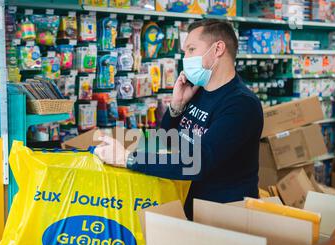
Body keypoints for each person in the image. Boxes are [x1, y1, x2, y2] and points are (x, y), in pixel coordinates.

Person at [94, 19, 263, 220]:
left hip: (227, 215)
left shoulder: (241, 105)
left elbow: (200, 160)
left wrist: (127, 159)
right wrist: (176, 106)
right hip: (192, 206)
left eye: (191, 49)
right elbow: (163, 141)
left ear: (218, 49)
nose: (186, 58)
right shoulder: (197, 92)